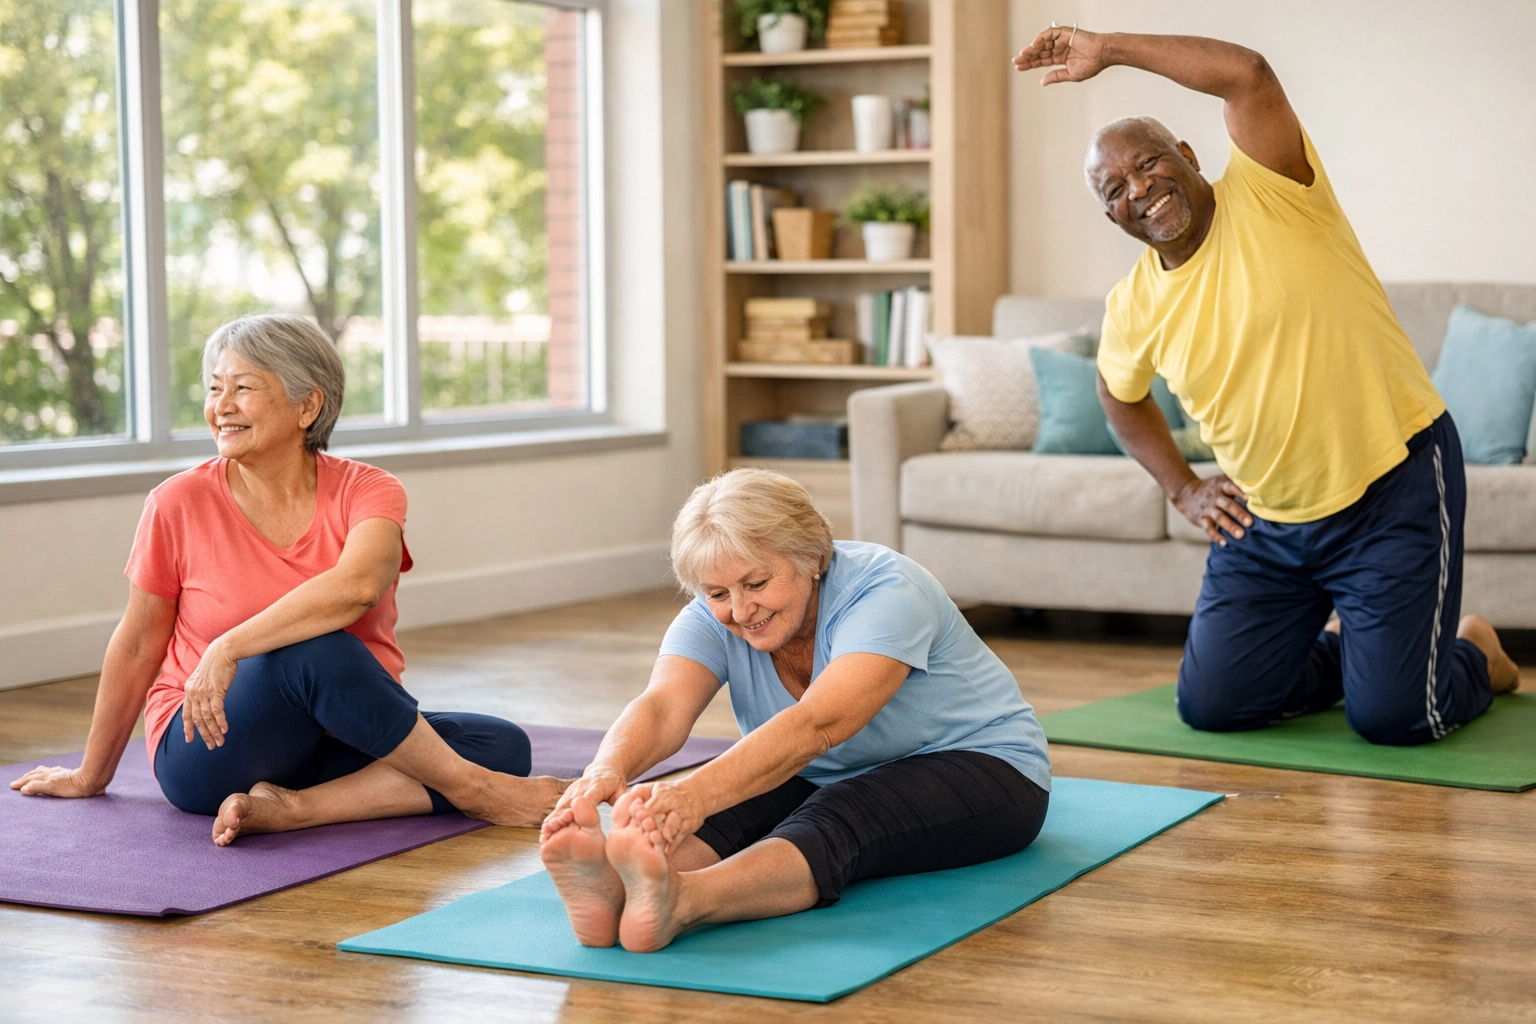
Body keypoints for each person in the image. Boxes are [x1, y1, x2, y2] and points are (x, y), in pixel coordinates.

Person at [1012, 26, 1521, 745]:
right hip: (1268, 523)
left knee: (1399, 718)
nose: (1141, 189)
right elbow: (1116, 397)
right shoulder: (1132, 305)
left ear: (1188, 158)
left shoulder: (1275, 189)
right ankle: (1376, 654)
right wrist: (1184, 488)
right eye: (1116, 189)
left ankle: (1473, 653)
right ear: (1111, 216)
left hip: (1391, 487)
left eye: (1151, 162)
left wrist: (1113, 49)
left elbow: (1247, 74)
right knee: (1215, 707)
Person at [10, 314, 565, 842]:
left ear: (308, 406)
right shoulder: (176, 502)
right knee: (318, 652)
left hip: (338, 738)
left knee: (502, 744)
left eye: (243, 388)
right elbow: (136, 644)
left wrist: (227, 646)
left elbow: (358, 587)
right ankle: (475, 791)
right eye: (213, 389)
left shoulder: (369, 490)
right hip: (212, 744)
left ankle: (295, 810)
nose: (220, 407)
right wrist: (91, 774)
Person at [538, 468, 1051, 953]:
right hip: (820, 768)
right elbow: (663, 704)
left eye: (757, 585)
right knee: (723, 804)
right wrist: (608, 767)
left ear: (812, 557)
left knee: (832, 809)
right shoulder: (712, 616)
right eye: (718, 593)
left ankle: (687, 902)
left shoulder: (887, 589)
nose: (740, 611)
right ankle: (619, 893)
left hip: (986, 768)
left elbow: (819, 724)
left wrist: (692, 793)